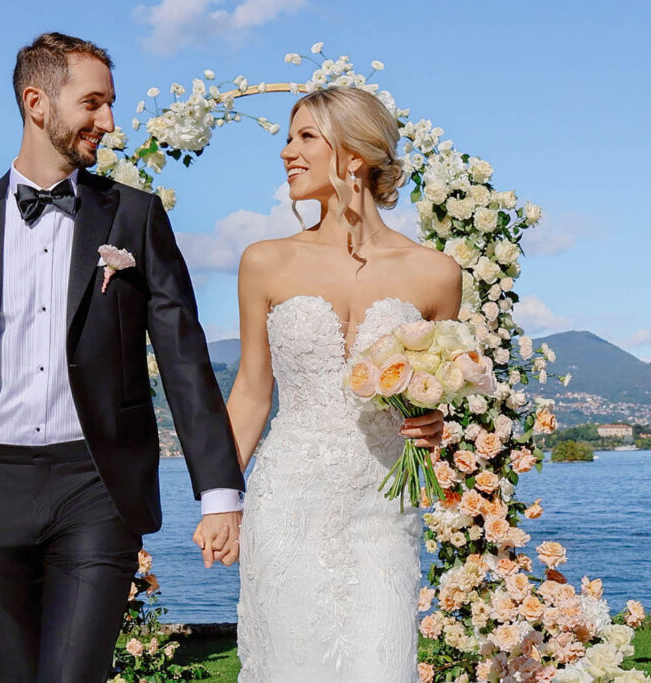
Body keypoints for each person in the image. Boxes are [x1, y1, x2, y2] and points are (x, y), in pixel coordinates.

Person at [0, 32, 245, 683]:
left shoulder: (135, 218)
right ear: (37, 102)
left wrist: (220, 490)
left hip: (97, 486)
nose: (109, 121)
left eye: (110, 104)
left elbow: (184, 356)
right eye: (93, 102)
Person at [222, 87, 461, 681]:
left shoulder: (436, 273)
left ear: (353, 154)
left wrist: (433, 424)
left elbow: (437, 396)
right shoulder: (264, 261)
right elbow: (253, 391)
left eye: (305, 137)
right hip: (288, 500)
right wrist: (222, 498)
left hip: (383, 503)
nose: (286, 152)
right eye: (287, 137)